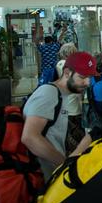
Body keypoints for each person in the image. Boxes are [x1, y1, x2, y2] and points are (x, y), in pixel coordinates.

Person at [22, 51, 96, 180]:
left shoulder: (62, 95)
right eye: (83, 77)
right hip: (41, 178)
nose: (88, 83)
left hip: (50, 176)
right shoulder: (48, 93)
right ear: (67, 73)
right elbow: (29, 137)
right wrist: (64, 165)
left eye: (90, 77)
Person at [54, 43, 83, 154]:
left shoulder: (59, 64)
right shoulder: (70, 66)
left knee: (68, 138)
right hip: (74, 106)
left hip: (64, 105)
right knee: (77, 138)